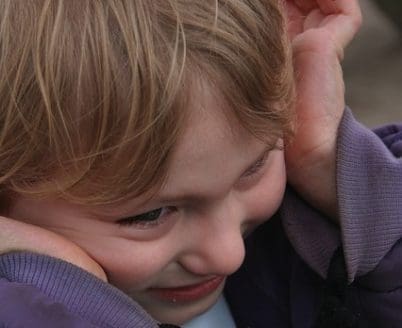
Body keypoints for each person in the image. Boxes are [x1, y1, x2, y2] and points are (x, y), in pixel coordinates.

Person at [0, 0, 401, 327]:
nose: (228, 255)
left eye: (254, 166)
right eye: (150, 215)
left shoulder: (297, 232)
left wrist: (335, 168)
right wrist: (60, 297)